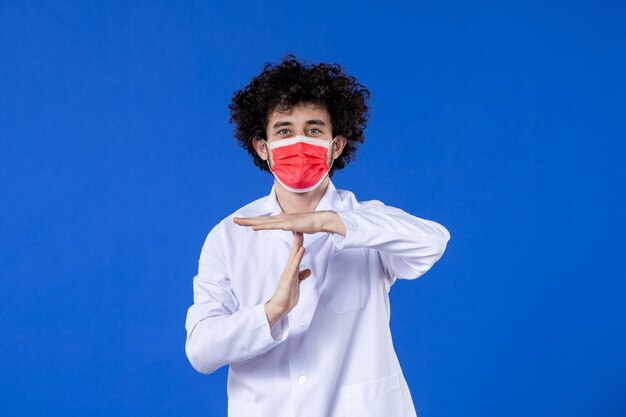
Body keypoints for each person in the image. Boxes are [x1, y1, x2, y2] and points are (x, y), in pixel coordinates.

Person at [184, 54, 451, 417]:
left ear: (335, 145)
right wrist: (271, 311)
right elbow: (201, 351)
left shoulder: (364, 220)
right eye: (283, 131)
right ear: (262, 148)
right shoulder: (230, 235)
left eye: (313, 130)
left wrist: (333, 222)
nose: (298, 141)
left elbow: (433, 241)